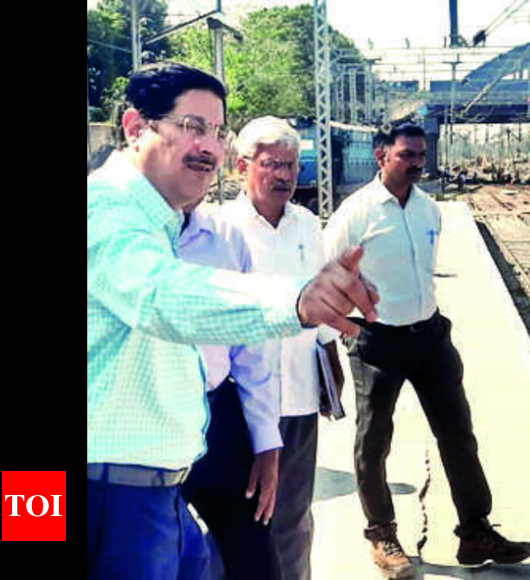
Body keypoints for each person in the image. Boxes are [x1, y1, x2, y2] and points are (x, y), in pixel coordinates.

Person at [88, 63, 378, 580]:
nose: (209, 146)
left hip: (156, 488)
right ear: (135, 128)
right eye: (192, 126)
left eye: (217, 131)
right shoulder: (104, 210)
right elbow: (159, 296)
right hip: (107, 496)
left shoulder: (159, 220)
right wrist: (296, 300)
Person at [322, 124, 530, 579]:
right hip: (378, 340)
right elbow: (328, 274)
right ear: (382, 156)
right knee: (374, 440)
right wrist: (347, 330)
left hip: (430, 335)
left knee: (458, 432)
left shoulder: (428, 210)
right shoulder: (356, 213)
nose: (418, 161)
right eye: (407, 154)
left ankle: (475, 530)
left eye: (421, 153)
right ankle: (382, 534)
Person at [220, 116, 341, 580]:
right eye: (272, 164)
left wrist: (330, 360)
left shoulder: (308, 226)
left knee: (292, 517)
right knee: (238, 518)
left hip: (297, 399)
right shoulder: (221, 228)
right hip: (239, 402)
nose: (284, 175)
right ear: (242, 166)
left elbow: (322, 297)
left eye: (291, 165)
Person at [176, 197, 284, 580]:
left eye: (212, 133)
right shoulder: (114, 241)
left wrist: (266, 441)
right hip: (127, 442)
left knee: (256, 559)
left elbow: (251, 349)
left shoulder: (224, 238)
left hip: (216, 416)